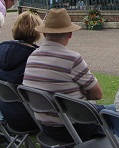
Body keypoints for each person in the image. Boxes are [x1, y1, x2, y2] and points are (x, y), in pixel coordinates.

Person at [22, 8, 107, 142]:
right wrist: (83, 92)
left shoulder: (32, 56)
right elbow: (97, 94)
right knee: (114, 113)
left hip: (45, 126)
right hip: (74, 126)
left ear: (44, 34)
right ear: (70, 34)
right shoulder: (72, 59)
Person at [0, 11, 42, 131]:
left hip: (7, 113)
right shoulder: (35, 56)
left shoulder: (2, 49)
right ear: (37, 32)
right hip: (31, 117)